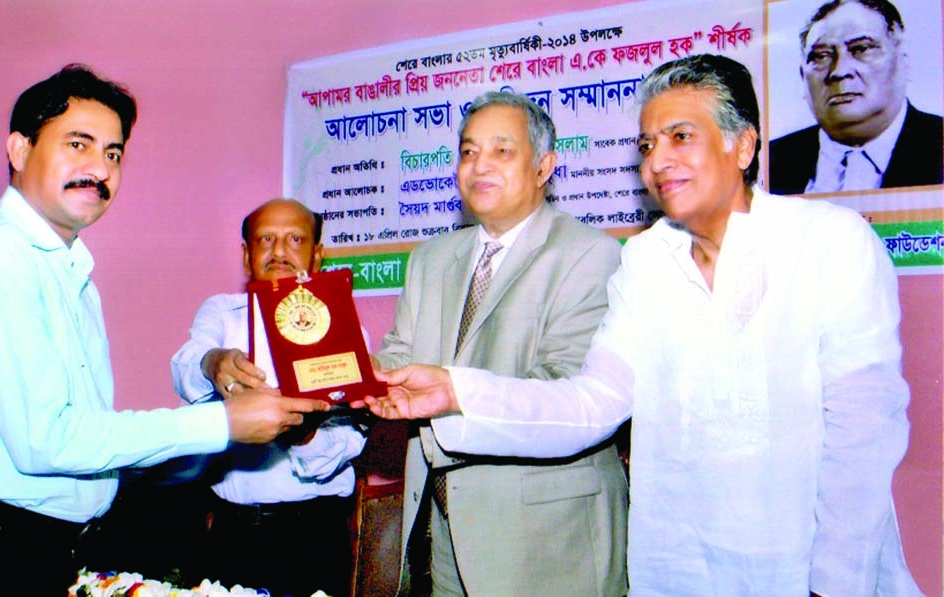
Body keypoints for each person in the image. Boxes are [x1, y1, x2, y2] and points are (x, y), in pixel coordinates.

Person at [358, 54, 923, 596]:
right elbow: (593, 403)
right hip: (673, 567)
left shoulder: (831, 241)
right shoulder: (648, 259)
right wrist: (457, 392)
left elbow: (863, 431)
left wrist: (837, 581)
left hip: (802, 568)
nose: (657, 161)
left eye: (681, 137)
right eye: (648, 144)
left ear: (743, 145)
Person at [0, 65, 328, 595]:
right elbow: (48, 442)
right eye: (78, 145)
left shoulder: (67, 273)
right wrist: (220, 423)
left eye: (112, 154)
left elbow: (86, 431)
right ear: (19, 151)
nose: (100, 169)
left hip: (37, 546)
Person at [373, 90, 627, 596]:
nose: (479, 165)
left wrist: (452, 390)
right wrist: (332, 375)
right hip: (447, 529)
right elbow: (400, 355)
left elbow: (565, 388)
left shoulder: (590, 254)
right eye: (468, 151)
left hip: (549, 539)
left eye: (501, 151)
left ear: (544, 166)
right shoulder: (430, 257)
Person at [171, 198, 366, 597]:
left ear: (317, 255)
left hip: (315, 532)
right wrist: (214, 363)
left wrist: (304, 436)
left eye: (295, 239)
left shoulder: (340, 326)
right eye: (265, 239)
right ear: (247, 256)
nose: (279, 251)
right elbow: (185, 364)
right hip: (234, 532)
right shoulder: (223, 314)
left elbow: (354, 434)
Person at [768, 0, 943, 194]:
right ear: (803, 75)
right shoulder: (771, 159)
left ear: (903, 61)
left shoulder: (938, 144)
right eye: (821, 56)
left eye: (861, 49)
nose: (839, 71)